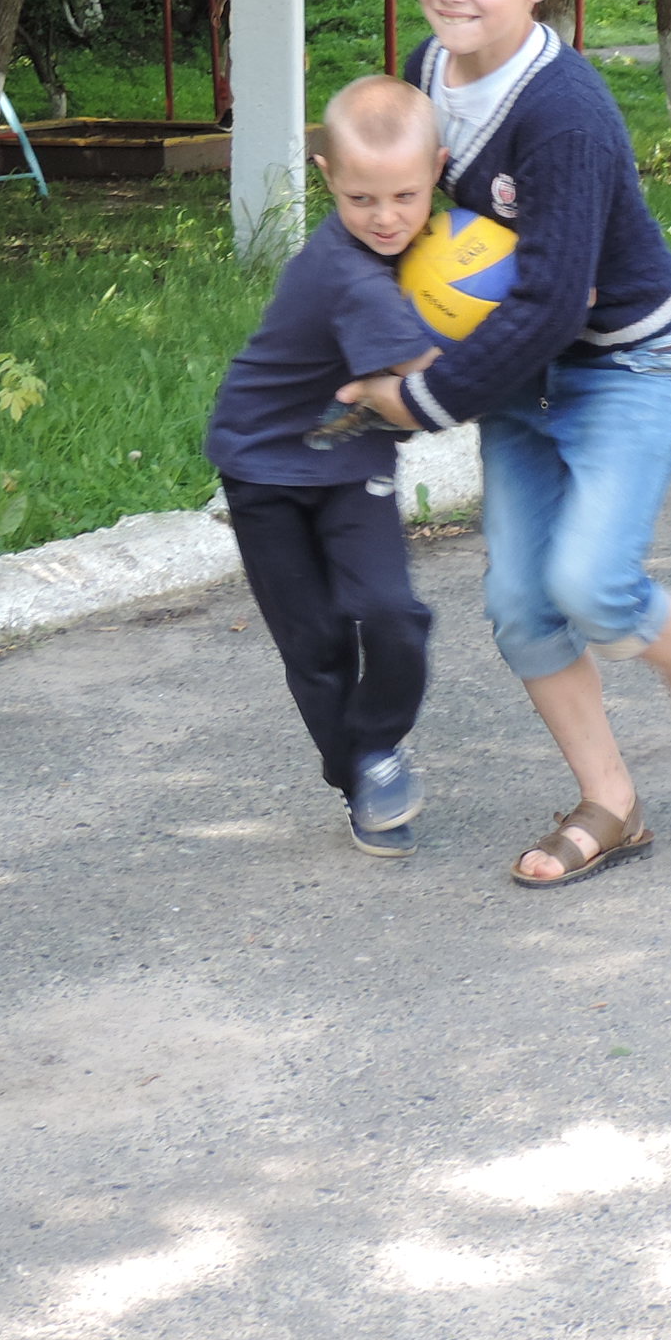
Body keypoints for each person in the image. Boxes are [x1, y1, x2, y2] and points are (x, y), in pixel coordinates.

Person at [345, 0, 671, 889]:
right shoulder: (427, 70)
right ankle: (611, 805)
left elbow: (549, 303)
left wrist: (423, 399)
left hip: (627, 364)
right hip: (518, 375)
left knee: (592, 584)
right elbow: (401, 217)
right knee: (521, 605)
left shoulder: (563, 114)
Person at [204, 78, 446, 855]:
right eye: (361, 199)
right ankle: (361, 781)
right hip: (262, 468)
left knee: (393, 614)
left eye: (405, 196)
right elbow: (438, 386)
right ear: (326, 177)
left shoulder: (430, 249)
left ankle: (376, 749)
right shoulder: (349, 275)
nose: (386, 218)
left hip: (351, 466)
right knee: (315, 643)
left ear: (437, 172)